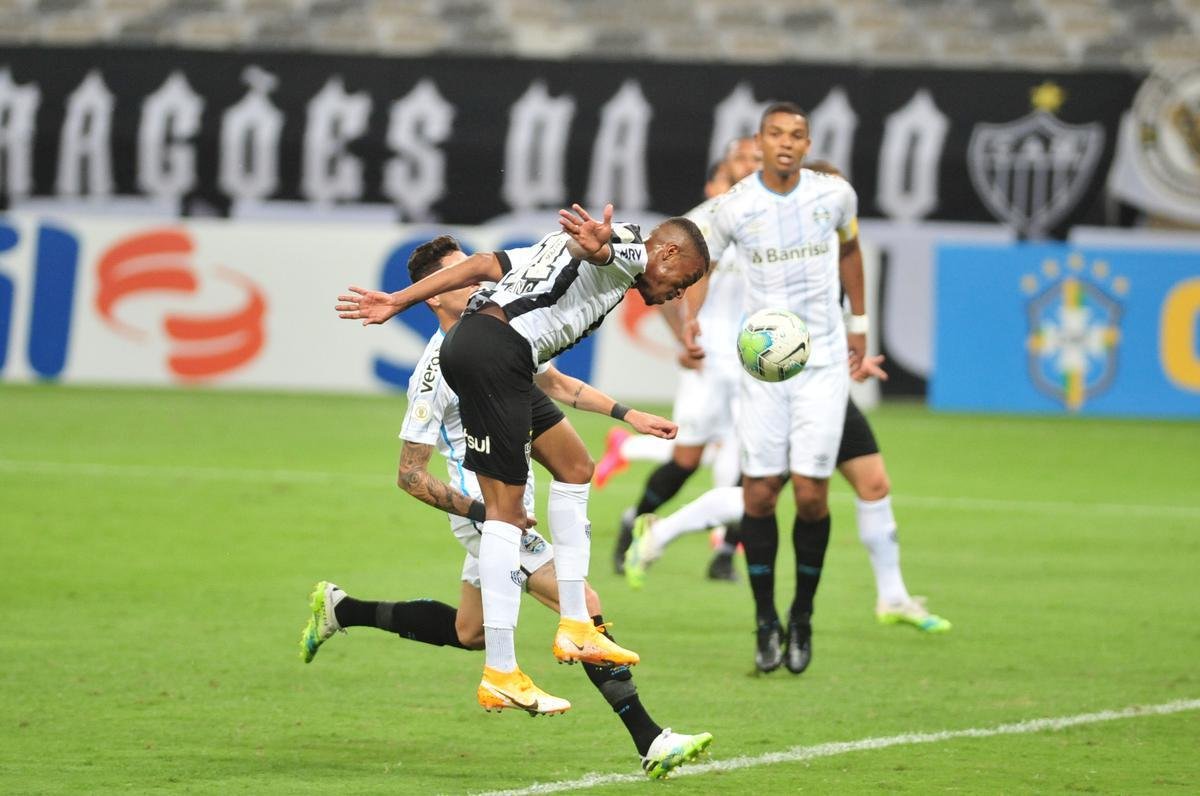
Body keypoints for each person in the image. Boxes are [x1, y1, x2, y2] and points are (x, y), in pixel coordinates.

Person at [307, 236, 712, 776]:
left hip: (504, 509)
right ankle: (650, 738)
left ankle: (342, 609)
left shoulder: (505, 331)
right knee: (582, 599)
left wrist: (628, 415)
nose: (476, 282)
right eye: (460, 277)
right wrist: (489, 516)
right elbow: (410, 475)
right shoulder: (433, 373)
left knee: (469, 632)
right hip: (486, 511)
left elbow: (558, 384)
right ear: (435, 293)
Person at [686, 102, 868, 676]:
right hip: (764, 365)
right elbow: (702, 262)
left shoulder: (834, 195)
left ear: (807, 144)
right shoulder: (735, 206)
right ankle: (765, 619)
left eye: (797, 135)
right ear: (759, 142)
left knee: (812, 496)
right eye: (776, 134)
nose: (786, 143)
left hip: (823, 359)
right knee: (760, 495)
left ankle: (802, 615)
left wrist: (860, 323)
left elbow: (850, 249)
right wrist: (691, 318)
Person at [603, 138, 762, 583]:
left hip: (756, 361)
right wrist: (683, 337)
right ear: (726, 167)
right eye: (743, 158)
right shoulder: (700, 222)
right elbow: (663, 286)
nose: (752, 165)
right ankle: (635, 520)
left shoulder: (772, 221)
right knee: (687, 459)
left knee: (752, 461)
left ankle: (725, 553)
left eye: (758, 159)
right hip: (709, 358)